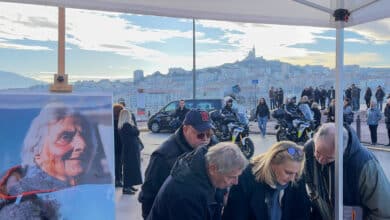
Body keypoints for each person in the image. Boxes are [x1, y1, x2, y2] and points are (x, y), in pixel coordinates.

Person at [0, 102, 111, 219]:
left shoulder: (91, 191)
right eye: (65, 137)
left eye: (86, 135)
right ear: (36, 152)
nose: (82, 144)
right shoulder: (22, 208)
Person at [138, 109, 216, 219]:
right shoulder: (163, 156)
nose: (206, 139)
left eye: (209, 134)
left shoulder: (212, 146)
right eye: (200, 135)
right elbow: (148, 196)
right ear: (185, 129)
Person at [304, 123, 390, 220]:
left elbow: (383, 213)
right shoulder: (308, 149)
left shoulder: (365, 165)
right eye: (318, 153)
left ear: (343, 151)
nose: (320, 161)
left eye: (329, 158)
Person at [147, 142, 248, 220]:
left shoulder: (208, 168)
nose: (236, 182)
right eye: (231, 177)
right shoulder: (186, 195)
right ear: (213, 169)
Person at [222, 141, 310, 220]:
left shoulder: (296, 177)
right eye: (287, 172)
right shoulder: (246, 177)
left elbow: (303, 213)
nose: (292, 178)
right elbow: (235, 215)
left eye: (296, 173)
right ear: (272, 162)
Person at [118, 109, 143, 195]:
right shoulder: (127, 126)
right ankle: (126, 188)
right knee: (129, 169)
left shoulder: (123, 126)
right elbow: (137, 132)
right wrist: (134, 124)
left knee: (130, 168)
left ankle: (129, 185)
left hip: (129, 150)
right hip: (130, 151)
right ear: (126, 116)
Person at [113, 103, 124, 187]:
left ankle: (118, 179)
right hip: (119, 147)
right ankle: (118, 179)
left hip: (114, 146)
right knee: (118, 164)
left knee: (117, 164)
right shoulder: (119, 122)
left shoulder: (112, 121)